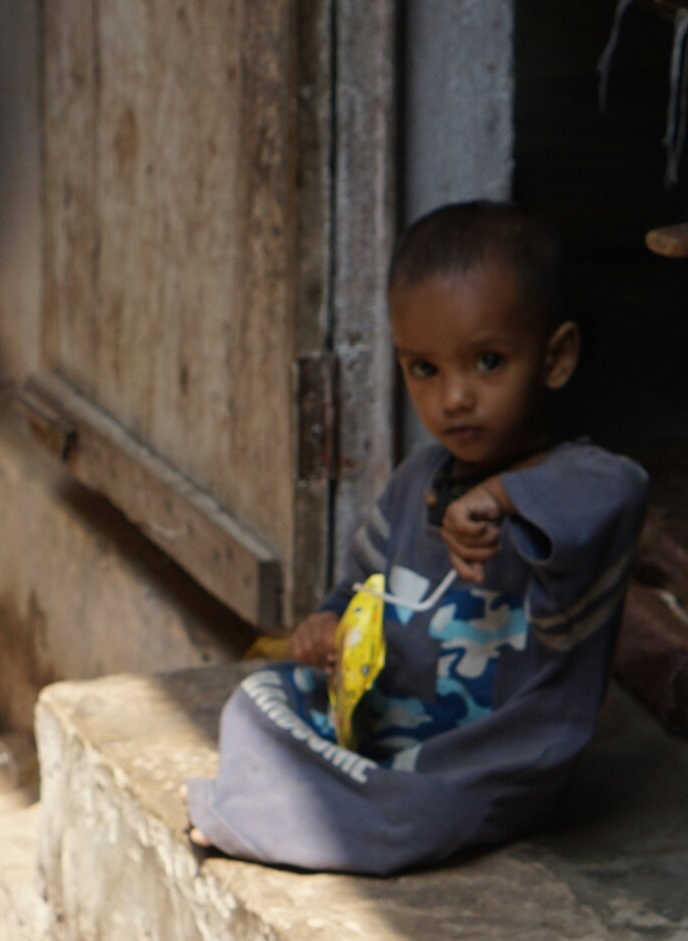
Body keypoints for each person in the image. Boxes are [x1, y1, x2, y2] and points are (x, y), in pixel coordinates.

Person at [186, 202, 649, 875]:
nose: (453, 397)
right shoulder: (418, 481)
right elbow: (359, 589)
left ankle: (264, 814)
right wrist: (326, 626)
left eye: (487, 362)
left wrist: (499, 498)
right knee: (257, 701)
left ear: (555, 359)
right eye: (424, 369)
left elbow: (622, 490)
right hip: (383, 732)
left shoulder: (585, 482)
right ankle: (293, 806)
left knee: (424, 810)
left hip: (483, 767)